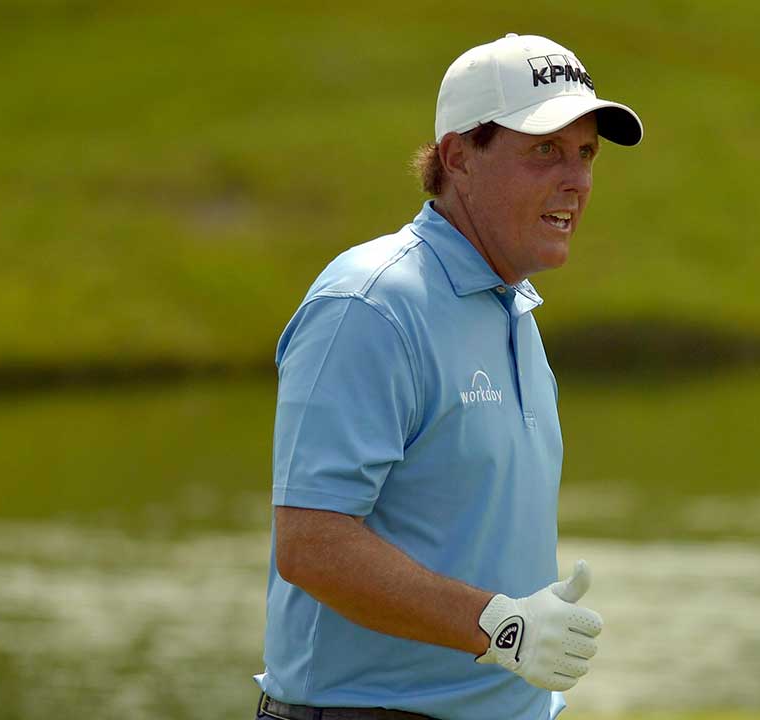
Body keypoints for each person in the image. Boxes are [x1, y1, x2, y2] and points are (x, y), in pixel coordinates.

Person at [253, 33, 643, 720]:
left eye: (585, 154)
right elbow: (311, 544)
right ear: (459, 157)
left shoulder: (513, 307)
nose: (577, 181)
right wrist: (500, 627)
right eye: (545, 151)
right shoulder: (370, 305)